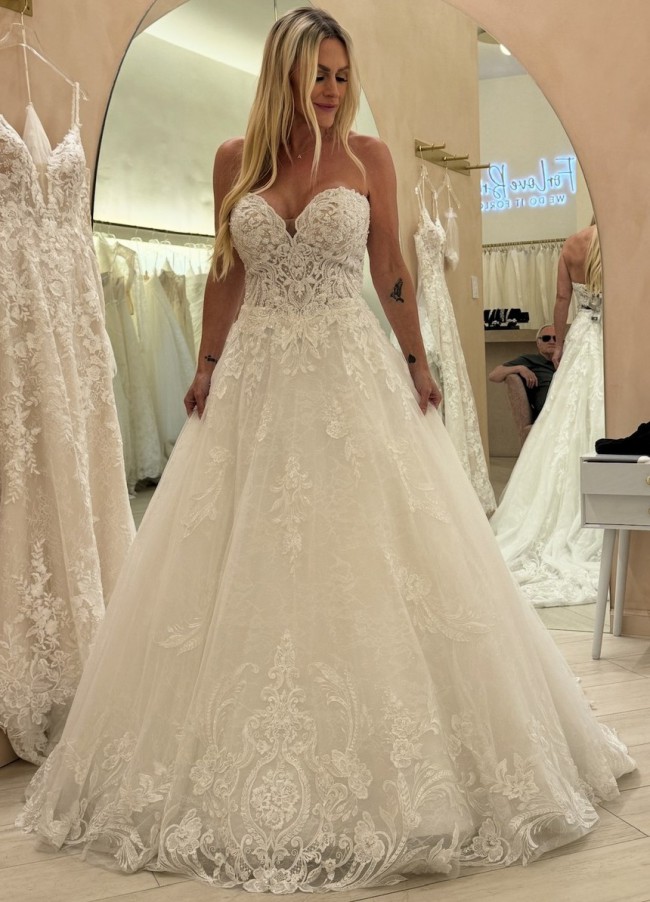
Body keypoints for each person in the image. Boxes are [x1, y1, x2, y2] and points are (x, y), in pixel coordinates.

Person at [19, 10, 633, 893]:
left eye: (343, 75)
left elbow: (391, 270)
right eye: (318, 74)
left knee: (369, 548)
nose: (333, 91)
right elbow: (227, 270)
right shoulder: (236, 160)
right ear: (285, 74)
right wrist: (205, 362)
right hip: (257, 380)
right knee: (248, 554)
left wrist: (417, 361)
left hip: (350, 372)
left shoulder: (369, 157)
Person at [490, 223, 606, 606]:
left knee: (565, 418)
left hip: (583, 335)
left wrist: (559, 344)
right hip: (611, 333)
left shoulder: (573, 244)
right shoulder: (617, 239)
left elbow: (561, 299)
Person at [488, 323, 557, 420]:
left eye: (555, 338)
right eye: (546, 338)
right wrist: (519, 368)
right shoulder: (530, 360)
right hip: (548, 414)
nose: (552, 341)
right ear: (538, 343)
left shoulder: (567, 361)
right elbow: (493, 375)